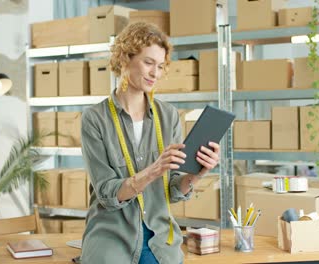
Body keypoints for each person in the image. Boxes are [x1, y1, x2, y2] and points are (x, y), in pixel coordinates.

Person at [76, 22, 220, 264]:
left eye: (161, 66)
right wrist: (154, 170)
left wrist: (197, 174)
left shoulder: (168, 115)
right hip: (112, 240)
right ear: (124, 60)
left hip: (160, 239)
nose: (156, 73)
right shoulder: (95, 119)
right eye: (148, 63)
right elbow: (107, 194)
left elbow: (173, 191)